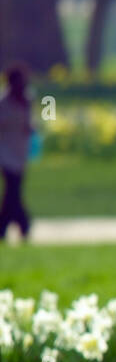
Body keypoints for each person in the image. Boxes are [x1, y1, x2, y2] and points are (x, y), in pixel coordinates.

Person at [0, 63, 34, 243]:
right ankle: (24, 225)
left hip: (20, 151)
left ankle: (4, 226)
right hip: (5, 153)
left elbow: (31, 124)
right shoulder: (3, 102)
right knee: (12, 189)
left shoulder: (27, 99)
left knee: (12, 193)